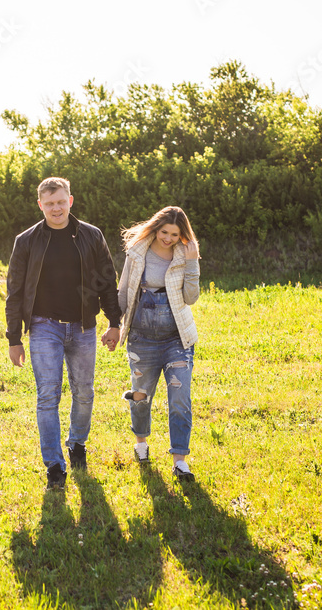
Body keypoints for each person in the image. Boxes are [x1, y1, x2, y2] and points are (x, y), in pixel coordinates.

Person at [5, 177, 122, 490]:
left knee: (84, 392)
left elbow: (107, 281)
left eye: (61, 202)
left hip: (84, 326)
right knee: (48, 394)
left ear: (70, 201)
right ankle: (54, 466)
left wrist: (115, 321)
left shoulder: (92, 236)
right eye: (49, 203)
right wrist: (14, 338)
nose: (56, 208)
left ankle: (77, 444)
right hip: (44, 327)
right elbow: (14, 292)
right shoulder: (26, 240)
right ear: (40, 205)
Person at [117, 206, 200, 481]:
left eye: (175, 234)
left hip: (177, 338)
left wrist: (192, 262)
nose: (168, 238)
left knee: (180, 399)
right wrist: (114, 325)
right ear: (155, 228)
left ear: (182, 234)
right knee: (140, 397)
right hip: (142, 338)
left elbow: (191, 297)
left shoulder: (184, 254)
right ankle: (141, 444)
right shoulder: (137, 250)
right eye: (164, 232)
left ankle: (180, 461)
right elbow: (125, 289)